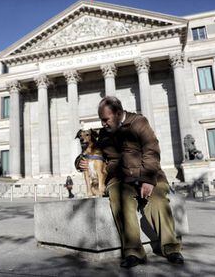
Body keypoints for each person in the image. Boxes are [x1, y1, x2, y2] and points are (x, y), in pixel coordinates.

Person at [77, 96, 183, 268]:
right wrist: (78, 162)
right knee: (120, 199)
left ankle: (171, 248)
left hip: (147, 174)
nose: (103, 124)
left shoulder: (139, 122)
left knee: (157, 200)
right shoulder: (104, 134)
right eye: (101, 120)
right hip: (119, 179)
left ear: (118, 113)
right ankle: (133, 252)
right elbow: (93, 153)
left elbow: (152, 150)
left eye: (106, 119)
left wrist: (147, 179)